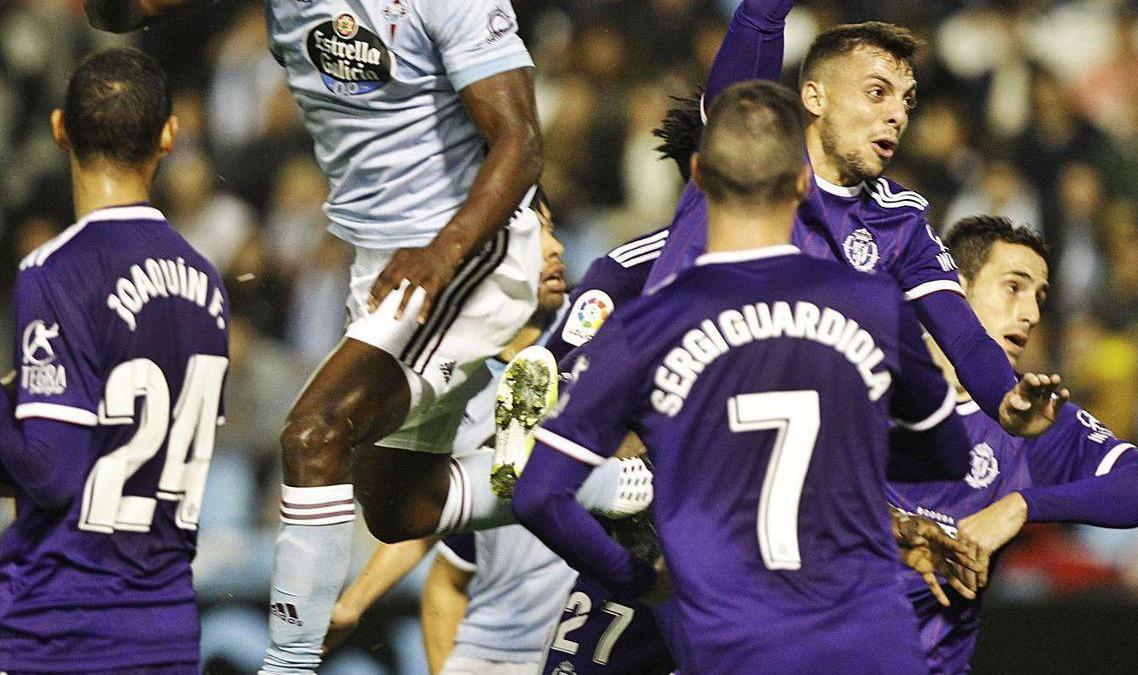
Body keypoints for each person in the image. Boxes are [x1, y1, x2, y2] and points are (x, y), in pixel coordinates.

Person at [88, 2, 550, 670]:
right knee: (398, 505)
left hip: (465, 249)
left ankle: (288, 663)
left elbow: (522, 141)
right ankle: (602, 482)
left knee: (314, 431)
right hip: (383, 267)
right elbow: (124, 14)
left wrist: (443, 254)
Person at [512, 80, 1031, 674]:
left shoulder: (645, 325)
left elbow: (537, 494)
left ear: (699, 177)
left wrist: (639, 578)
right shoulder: (873, 304)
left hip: (741, 648)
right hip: (874, 646)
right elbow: (945, 452)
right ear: (805, 184)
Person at [647, 1, 1019, 429]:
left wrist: (1006, 398)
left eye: (906, 101)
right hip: (669, 405)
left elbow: (965, 337)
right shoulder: (744, 151)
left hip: (775, 448)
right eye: (877, 93)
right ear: (815, 96)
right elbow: (760, 15)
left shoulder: (900, 220)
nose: (897, 115)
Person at [321, 194, 653, 672]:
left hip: (585, 638)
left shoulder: (594, 336)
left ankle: (560, 472)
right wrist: (354, 602)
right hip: (489, 648)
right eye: (534, 235)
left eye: (553, 230)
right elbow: (428, 523)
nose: (555, 247)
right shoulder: (450, 380)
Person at [0, 48, 229, 673]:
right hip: (167, 627)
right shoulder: (207, 280)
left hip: (59, 625)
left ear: (59, 129)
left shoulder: (54, 271)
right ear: (168, 135)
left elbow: (50, 468)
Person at [886, 215, 1138, 673]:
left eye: (1040, 297)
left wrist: (1020, 506)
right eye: (1013, 287)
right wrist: (898, 528)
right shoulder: (871, 373)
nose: (1032, 314)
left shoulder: (1031, 416)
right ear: (954, 289)